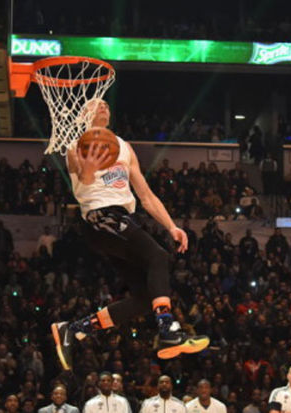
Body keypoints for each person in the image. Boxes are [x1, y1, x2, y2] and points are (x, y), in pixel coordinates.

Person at [51, 98, 209, 370]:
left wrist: (171, 226)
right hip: (100, 216)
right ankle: (167, 329)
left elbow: (145, 195)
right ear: (83, 114)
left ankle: (73, 330)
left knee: (144, 298)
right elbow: (83, 183)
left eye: (105, 103)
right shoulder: (76, 146)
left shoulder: (123, 146)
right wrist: (88, 171)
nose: (103, 105)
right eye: (95, 103)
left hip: (121, 220)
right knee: (158, 256)